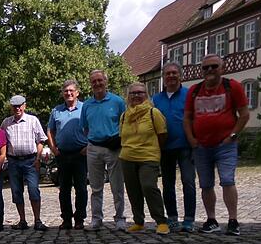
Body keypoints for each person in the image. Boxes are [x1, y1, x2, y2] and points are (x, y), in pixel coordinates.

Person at [184, 54, 249, 236]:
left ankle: (233, 220)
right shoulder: (194, 91)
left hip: (225, 144)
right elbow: (187, 117)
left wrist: (233, 135)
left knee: (227, 180)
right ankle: (211, 220)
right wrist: (191, 139)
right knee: (205, 184)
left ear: (222, 68)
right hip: (201, 146)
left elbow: (244, 114)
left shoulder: (232, 86)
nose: (210, 70)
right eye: (206, 68)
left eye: (214, 66)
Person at [119, 82, 170, 235]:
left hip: (148, 157)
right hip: (127, 157)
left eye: (140, 92)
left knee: (149, 186)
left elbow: (162, 135)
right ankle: (139, 221)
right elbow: (122, 137)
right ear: (128, 96)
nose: (136, 95)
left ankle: (161, 221)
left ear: (146, 95)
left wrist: (153, 150)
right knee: (133, 191)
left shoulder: (153, 113)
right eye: (133, 93)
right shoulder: (124, 116)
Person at [152, 62, 197, 232]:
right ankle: (171, 217)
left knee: (188, 182)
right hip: (165, 147)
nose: (171, 76)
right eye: (167, 74)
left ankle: (189, 219)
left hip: (185, 145)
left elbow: (195, 118)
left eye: (174, 73)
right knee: (168, 184)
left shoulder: (189, 94)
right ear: (163, 78)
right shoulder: (156, 99)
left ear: (180, 75)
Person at [81, 70, 127, 231]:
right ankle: (96, 219)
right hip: (94, 148)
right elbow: (85, 128)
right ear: (90, 84)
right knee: (95, 187)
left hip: (114, 148)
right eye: (94, 81)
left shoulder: (118, 101)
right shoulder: (87, 105)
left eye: (100, 80)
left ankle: (120, 218)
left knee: (117, 185)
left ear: (105, 82)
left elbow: (125, 123)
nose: (97, 84)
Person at [47, 80, 90, 230]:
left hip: (81, 154)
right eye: (66, 91)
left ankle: (79, 219)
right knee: (64, 189)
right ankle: (66, 219)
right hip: (62, 155)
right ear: (62, 93)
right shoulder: (56, 111)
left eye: (71, 90)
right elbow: (50, 131)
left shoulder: (85, 108)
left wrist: (88, 146)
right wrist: (54, 149)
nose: (68, 93)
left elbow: (93, 127)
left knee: (81, 189)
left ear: (77, 92)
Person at [2, 95, 48, 231]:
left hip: (30, 160)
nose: (18, 108)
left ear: (24, 106)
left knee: (34, 190)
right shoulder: (6, 123)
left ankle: (37, 220)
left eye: (20, 105)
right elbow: (2, 142)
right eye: (15, 106)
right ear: (11, 107)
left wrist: (38, 159)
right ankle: (22, 220)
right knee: (16, 191)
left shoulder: (33, 120)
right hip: (13, 161)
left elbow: (41, 140)